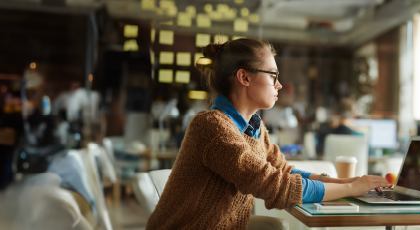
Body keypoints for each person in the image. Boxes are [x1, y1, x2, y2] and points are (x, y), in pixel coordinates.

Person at [146, 38, 391, 229]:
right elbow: (275, 186)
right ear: (244, 77)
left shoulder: (254, 127)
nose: (279, 84)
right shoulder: (212, 126)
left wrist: (349, 182)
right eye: (273, 75)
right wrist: (351, 189)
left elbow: (284, 171)